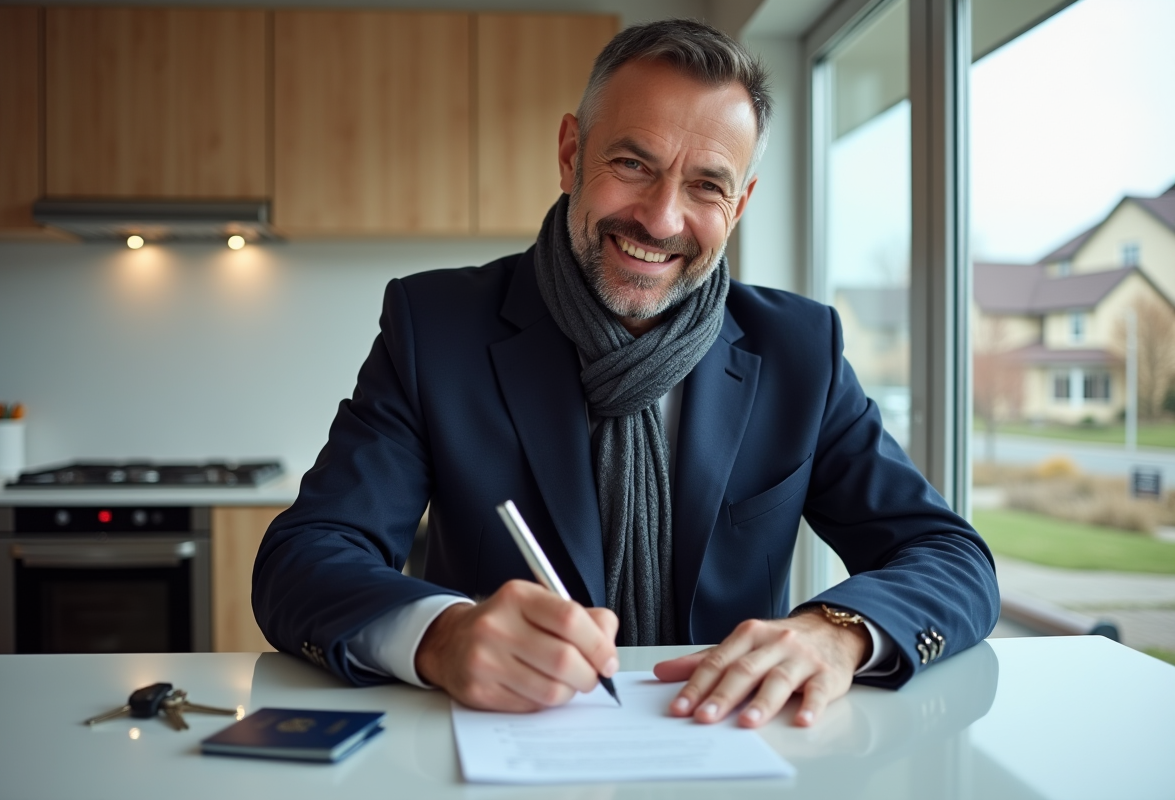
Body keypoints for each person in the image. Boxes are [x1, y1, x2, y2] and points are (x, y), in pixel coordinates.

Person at [253, 19, 999, 730]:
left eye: (706, 186)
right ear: (571, 154)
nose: (662, 219)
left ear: (740, 204)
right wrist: (440, 635)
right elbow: (304, 558)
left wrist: (838, 632)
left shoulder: (800, 349)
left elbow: (951, 558)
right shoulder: (436, 327)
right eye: (633, 165)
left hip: (733, 747)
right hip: (506, 750)